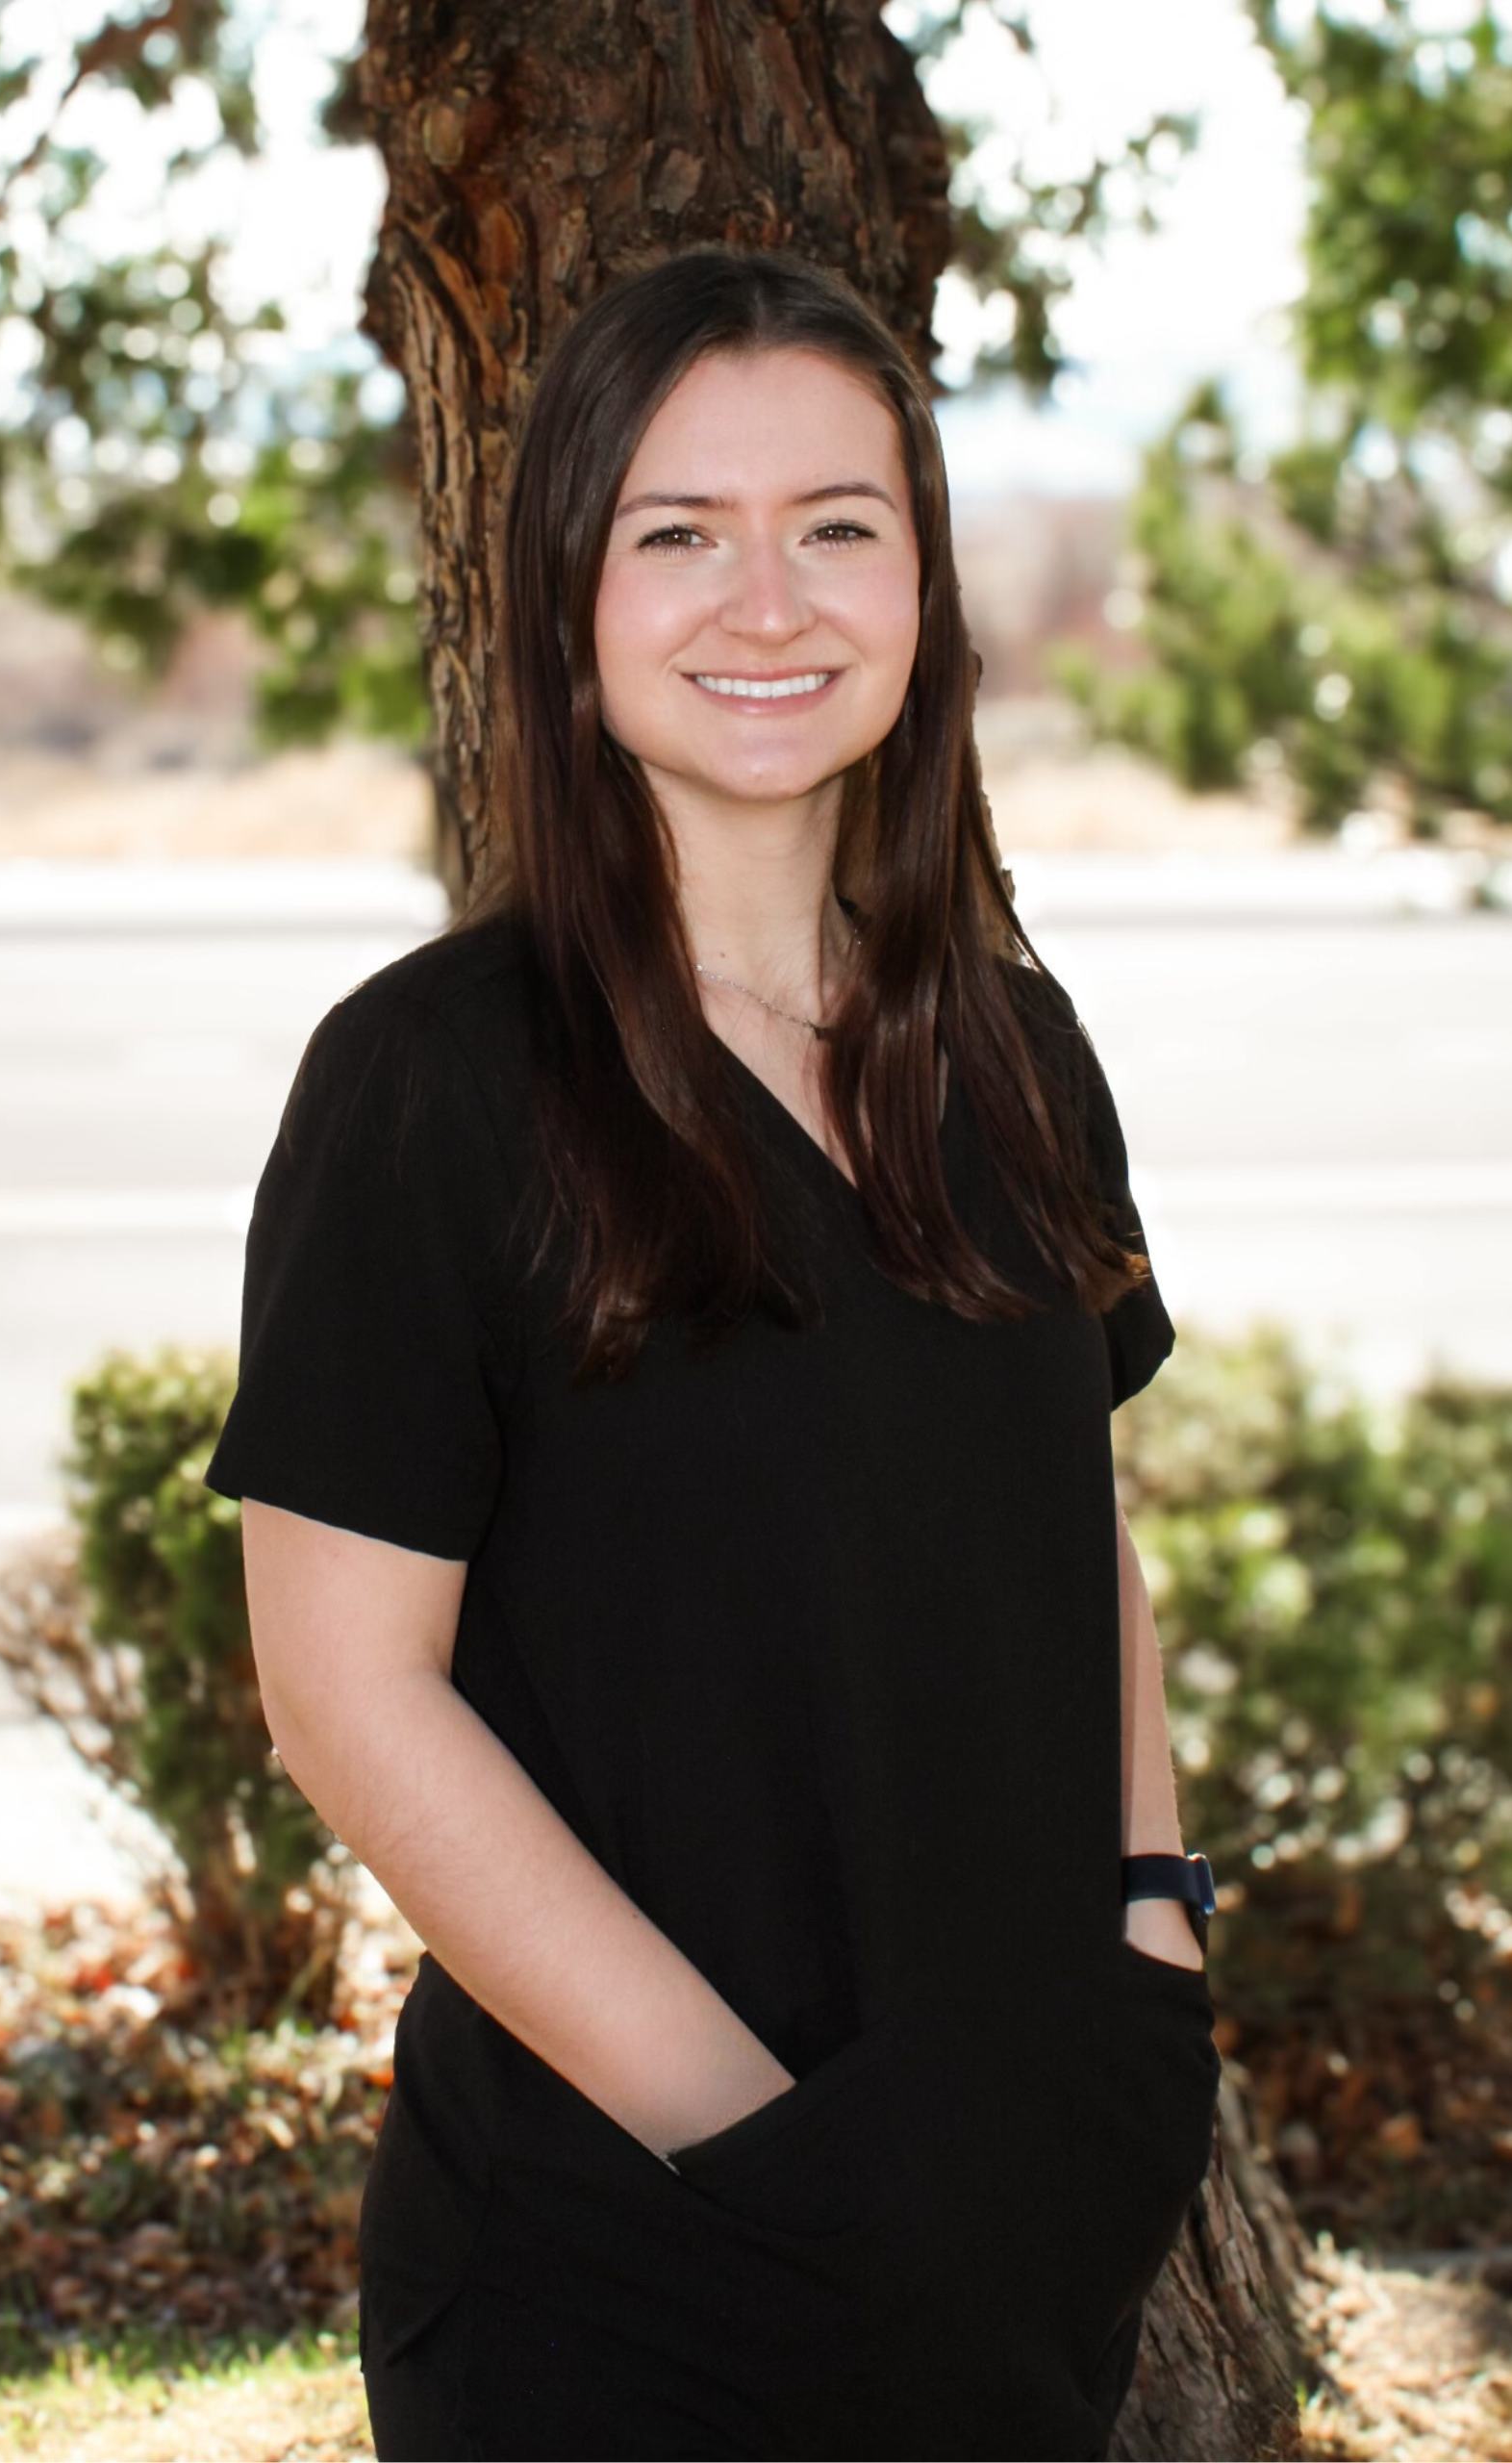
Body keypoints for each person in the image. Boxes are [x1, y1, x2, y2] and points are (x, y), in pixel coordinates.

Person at [202, 246, 1222, 2463]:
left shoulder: (1009, 1044)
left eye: (835, 526)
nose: (767, 601)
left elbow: (1080, 1511)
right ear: (568, 598)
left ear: (925, 591)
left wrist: (1151, 1931)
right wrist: (756, 2145)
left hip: (1021, 2195)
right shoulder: (430, 1083)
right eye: (679, 532)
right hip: (632, 2250)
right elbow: (345, 1693)